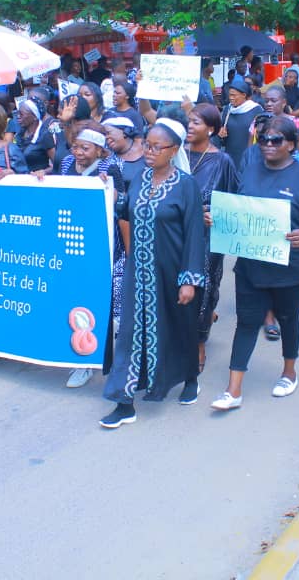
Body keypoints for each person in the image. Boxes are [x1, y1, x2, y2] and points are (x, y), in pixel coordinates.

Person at [210, 117, 299, 411]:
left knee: (288, 318)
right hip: (251, 266)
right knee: (247, 322)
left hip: (291, 268)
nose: (268, 145)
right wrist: (218, 218)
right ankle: (233, 389)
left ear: (291, 145)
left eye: (276, 140)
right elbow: (238, 208)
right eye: (263, 139)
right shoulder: (250, 169)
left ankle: (289, 372)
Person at [100, 118, 206, 428]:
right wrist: (110, 193)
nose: (150, 151)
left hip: (172, 271)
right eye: (147, 145)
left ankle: (190, 378)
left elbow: (195, 233)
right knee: (131, 332)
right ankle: (124, 402)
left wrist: (189, 279)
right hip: (139, 272)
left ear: (173, 150)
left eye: (157, 147)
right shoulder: (140, 178)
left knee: (178, 328)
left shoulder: (186, 185)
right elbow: (126, 211)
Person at [60, 121, 126, 389]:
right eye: (75, 147)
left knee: (103, 303)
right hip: (70, 240)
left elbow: (122, 204)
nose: (78, 152)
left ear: (99, 150)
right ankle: (80, 360)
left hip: (103, 244)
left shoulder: (110, 168)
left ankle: (106, 360)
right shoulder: (66, 163)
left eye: (85, 148)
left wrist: (111, 192)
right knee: (75, 300)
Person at [185, 105, 239, 373]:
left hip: (207, 237)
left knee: (203, 290)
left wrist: (214, 213)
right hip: (176, 234)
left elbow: (234, 201)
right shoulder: (175, 153)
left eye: (196, 122)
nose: (190, 126)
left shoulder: (222, 161)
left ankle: (198, 342)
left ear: (210, 129)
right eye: (189, 121)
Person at [263, 85, 299, 166]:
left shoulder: (295, 122)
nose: (269, 104)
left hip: (292, 167)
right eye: (266, 101)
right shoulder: (259, 121)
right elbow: (250, 152)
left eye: (273, 101)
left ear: (284, 103)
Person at [217, 78, 261, 170]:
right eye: (229, 95)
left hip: (247, 157)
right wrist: (221, 132)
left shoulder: (256, 110)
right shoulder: (228, 109)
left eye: (234, 95)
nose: (230, 98)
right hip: (230, 155)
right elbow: (222, 127)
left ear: (243, 95)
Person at [16, 90, 61, 175]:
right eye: (18, 113)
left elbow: (58, 165)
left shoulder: (45, 135)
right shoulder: (20, 134)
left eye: (21, 114)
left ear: (34, 117)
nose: (18, 117)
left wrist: (44, 172)